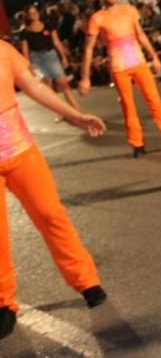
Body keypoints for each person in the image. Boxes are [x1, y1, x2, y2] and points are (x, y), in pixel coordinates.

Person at [0, 38, 107, 339]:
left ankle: (86, 281)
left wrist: (75, 115)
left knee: (51, 215)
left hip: (21, 152)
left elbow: (35, 87)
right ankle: (3, 303)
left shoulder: (3, 51)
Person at [79, 0, 161, 157]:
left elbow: (140, 35)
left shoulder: (129, 10)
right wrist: (85, 77)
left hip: (138, 61)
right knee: (128, 105)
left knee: (154, 100)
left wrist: (155, 57)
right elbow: (88, 48)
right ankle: (137, 143)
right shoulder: (98, 18)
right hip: (119, 66)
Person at [18, 5, 80, 114]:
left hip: (51, 55)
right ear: (27, 16)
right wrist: (29, 67)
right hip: (36, 58)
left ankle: (77, 110)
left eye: (35, 12)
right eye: (31, 13)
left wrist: (64, 57)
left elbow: (56, 42)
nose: (34, 14)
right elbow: (25, 52)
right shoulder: (25, 32)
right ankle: (62, 112)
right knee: (49, 88)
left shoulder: (48, 25)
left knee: (63, 83)